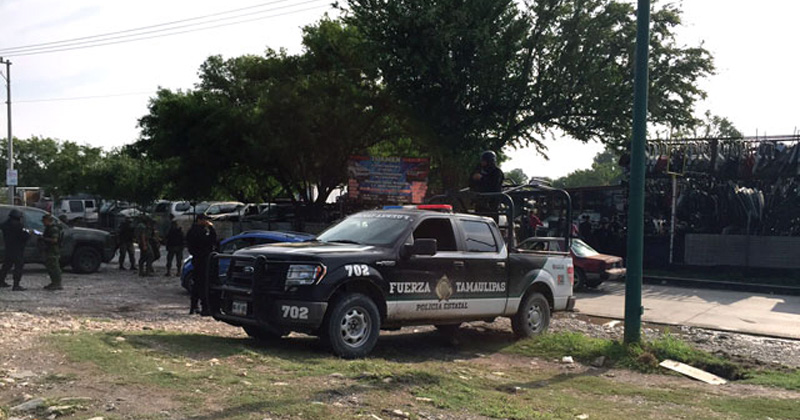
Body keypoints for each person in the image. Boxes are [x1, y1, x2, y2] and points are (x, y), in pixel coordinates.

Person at [186, 214, 217, 315]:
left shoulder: (192, 231)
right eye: (204, 220)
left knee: (197, 284)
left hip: (197, 259)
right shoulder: (199, 231)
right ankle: (204, 308)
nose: (206, 222)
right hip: (202, 259)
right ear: (199, 220)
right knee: (203, 284)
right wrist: (211, 228)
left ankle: (194, 306)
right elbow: (211, 241)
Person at [0, 209, 31, 291]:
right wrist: (29, 234)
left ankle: (1, 281)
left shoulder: (5, 224)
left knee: (6, 266)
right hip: (18, 248)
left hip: (9, 248)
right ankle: (16, 285)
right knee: (18, 267)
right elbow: (24, 237)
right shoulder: (19, 226)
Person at [40, 213, 63, 291]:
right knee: (50, 267)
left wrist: (44, 239)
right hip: (49, 249)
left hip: (53, 250)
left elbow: (54, 240)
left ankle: (57, 283)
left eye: (44, 221)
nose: (43, 222)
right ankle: (54, 282)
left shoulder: (53, 229)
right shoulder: (48, 228)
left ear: (48, 220)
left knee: (54, 267)